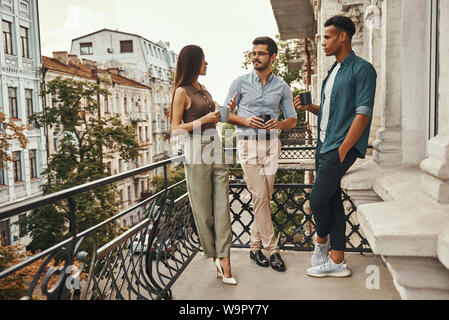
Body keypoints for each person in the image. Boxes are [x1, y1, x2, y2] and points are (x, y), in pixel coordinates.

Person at [294, 16, 377, 278]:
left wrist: (342, 151)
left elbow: (362, 115)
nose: (324, 43)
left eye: (328, 37)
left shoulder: (362, 69)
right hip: (324, 143)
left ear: (343, 36)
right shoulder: (333, 71)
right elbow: (333, 112)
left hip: (338, 148)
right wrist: (311, 108)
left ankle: (321, 245)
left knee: (317, 199)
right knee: (332, 201)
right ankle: (338, 261)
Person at [225, 37, 297, 272]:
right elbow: (223, 114)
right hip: (248, 144)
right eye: (253, 53)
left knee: (265, 195)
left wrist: (279, 124)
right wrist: (245, 119)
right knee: (259, 195)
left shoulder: (283, 87)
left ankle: (254, 247)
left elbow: (292, 120)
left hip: (271, 145)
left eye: (261, 53)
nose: (255, 57)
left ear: (272, 56)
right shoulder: (240, 83)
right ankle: (272, 250)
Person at [170, 45, 237, 285]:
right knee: (203, 209)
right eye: (203, 60)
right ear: (194, 63)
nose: (207, 64)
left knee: (222, 205)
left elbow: (217, 116)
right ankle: (216, 258)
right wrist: (203, 119)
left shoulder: (203, 89)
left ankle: (226, 259)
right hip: (196, 148)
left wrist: (229, 109)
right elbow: (175, 128)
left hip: (215, 144)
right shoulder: (182, 91)